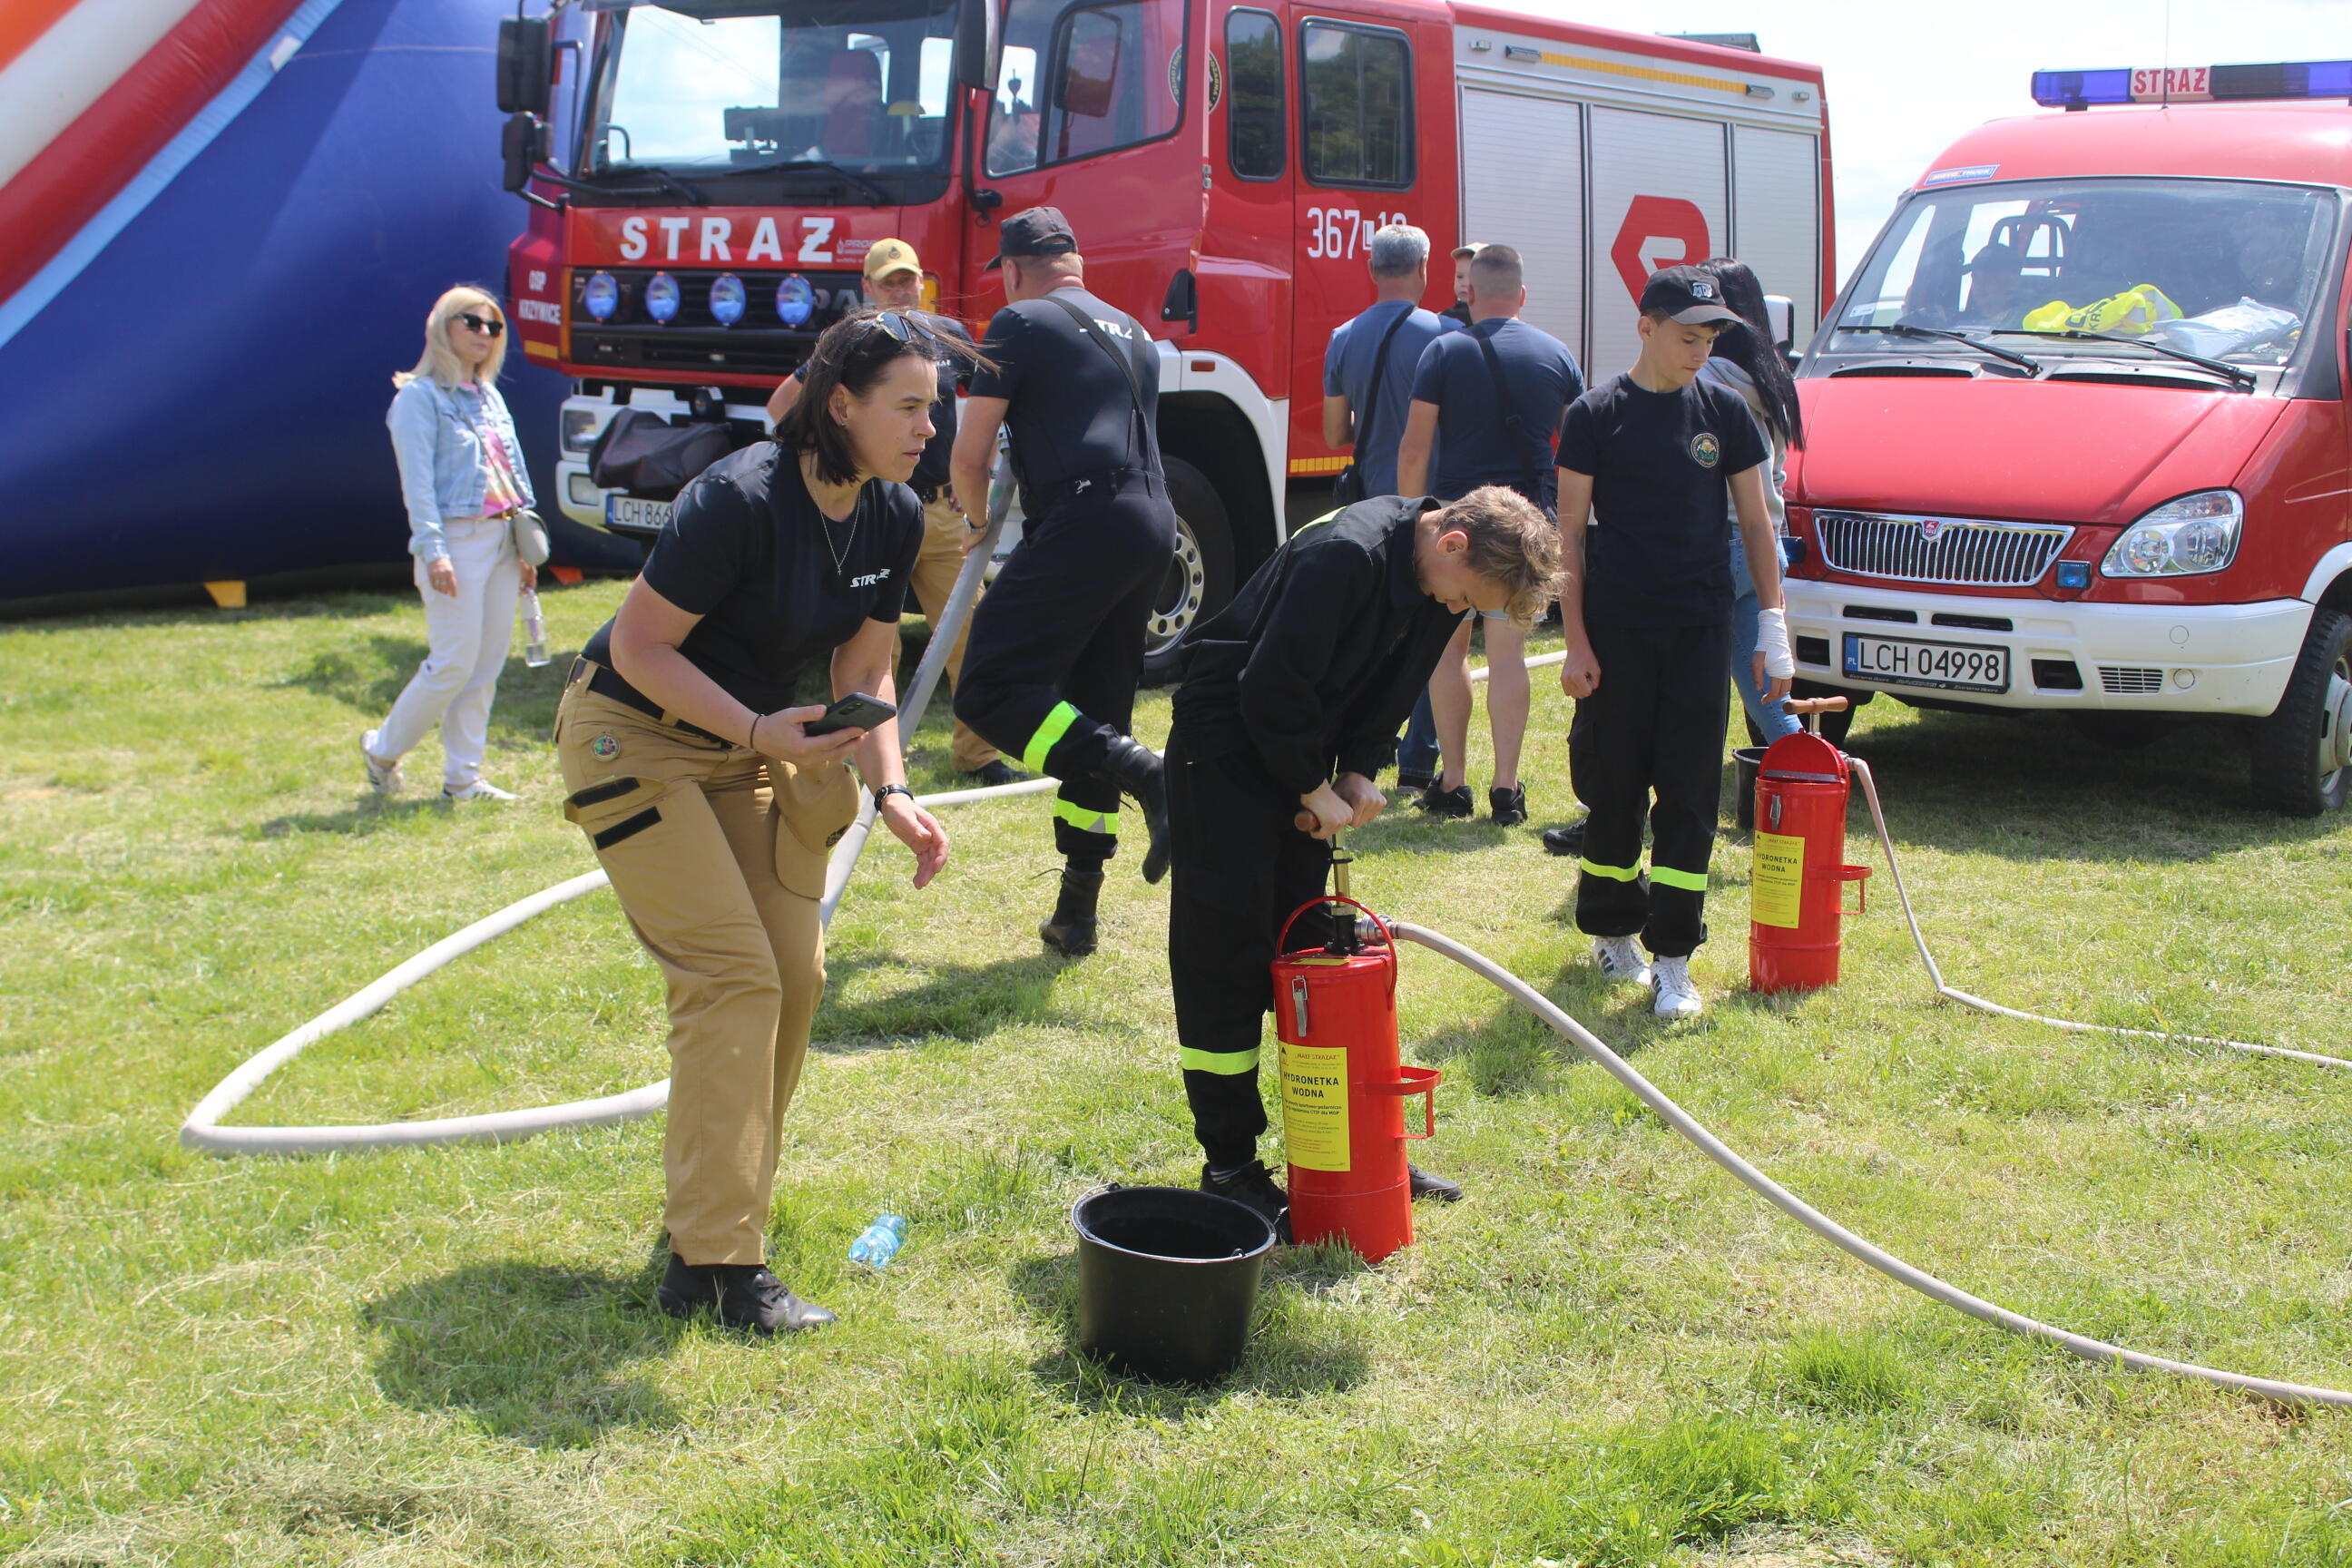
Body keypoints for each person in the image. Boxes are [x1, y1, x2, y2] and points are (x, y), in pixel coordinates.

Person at [554, 308, 961, 1334]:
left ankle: (715, 1213)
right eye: (909, 406)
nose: (929, 427)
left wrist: (894, 793)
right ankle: (718, 1264)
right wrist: (752, 729)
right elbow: (642, 646)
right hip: (633, 735)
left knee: (794, 973)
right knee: (732, 974)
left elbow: (866, 666)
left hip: (748, 746)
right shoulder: (738, 497)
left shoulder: (893, 512)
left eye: (934, 407)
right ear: (842, 404)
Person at [1165, 485, 1562, 1231]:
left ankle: (1357, 1148)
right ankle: (1230, 1168)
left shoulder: (1433, 577)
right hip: (1223, 750)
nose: (1458, 611)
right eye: (1466, 598)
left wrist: (1357, 769)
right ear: (1452, 543)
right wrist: (1310, 784)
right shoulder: (1345, 555)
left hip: (1298, 748)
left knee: (1313, 956)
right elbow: (1270, 683)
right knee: (1225, 961)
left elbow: (1395, 684)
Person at [1554, 265, 1792, 1021]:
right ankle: (1612, 931)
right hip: (1618, 631)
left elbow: (1756, 523)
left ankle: (1675, 959)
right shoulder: (1595, 415)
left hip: (1699, 629)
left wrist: (1774, 624)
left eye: (1711, 337)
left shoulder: (1725, 412)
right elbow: (1569, 536)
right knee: (1615, 789)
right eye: (1688, 337)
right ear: (1646, 327)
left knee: (1689, 796)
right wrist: (1576, 641)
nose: (1700, 351)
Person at [950, 206, 1175, 960]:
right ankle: (1077, 911)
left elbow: (970, 453)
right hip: (1153, 519)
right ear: (1077, 262)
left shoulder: (1017, 321)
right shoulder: (1135, 332)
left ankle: (1147, 774)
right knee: (1096, 714)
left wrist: (974, 521)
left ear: (1013, 270)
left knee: (988, 689)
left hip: (1086, 516)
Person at [767, 239, 1023, 788]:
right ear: (868, 289)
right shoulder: (857, 345)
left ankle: (977, 755)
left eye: (908, 279)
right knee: (869, 651)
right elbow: (782, 405)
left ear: (921, 282)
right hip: (874, 516)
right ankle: (872, 765)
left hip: (939, 513)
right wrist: (834, 471)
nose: (901, 290)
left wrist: (970, 478)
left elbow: (988, 406)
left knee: (972, 633)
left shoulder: (946, 335)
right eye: (889, 282)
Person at [1396, 244, 1583, 827]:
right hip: (1526, 527)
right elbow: (1578, 449)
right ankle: (1506, 788)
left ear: (1469, 293)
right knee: (1508, 657)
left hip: (1458, 526)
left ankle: (1453, 781)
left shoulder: (1443, 350)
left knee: (1447, 653)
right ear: (1522, 295)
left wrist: (1410, 522)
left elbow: (1415, 449)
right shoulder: (1557, 354)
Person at [365, 286, 537, 803]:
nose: (486, 334)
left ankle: (463, 777)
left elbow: (512, 472)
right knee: (453, 662)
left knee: (486, 664)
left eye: (494, 326)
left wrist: (527, 544)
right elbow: (417, 485)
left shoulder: (489, 396)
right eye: (473, 322)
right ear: (443, 326)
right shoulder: (418, 399)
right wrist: (433, 549)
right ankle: (382, 750)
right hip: (457, 539)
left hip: (504, 537)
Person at [1696, 257, 1806, 748]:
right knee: (1768, 696)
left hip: (1721, 542)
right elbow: (1777, 474)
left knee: (1701, 691)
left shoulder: (1706, 378)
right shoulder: (1771, 377)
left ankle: (1809, 775)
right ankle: (1809, 772)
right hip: (1766, 546)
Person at [1322, 223, 1449, 504]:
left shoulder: (1342, 337)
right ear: (1423, 266)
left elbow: (1334, 435)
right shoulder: (1450, 333)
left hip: (1372, 502)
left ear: (1371, 269)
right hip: (1436, 503)